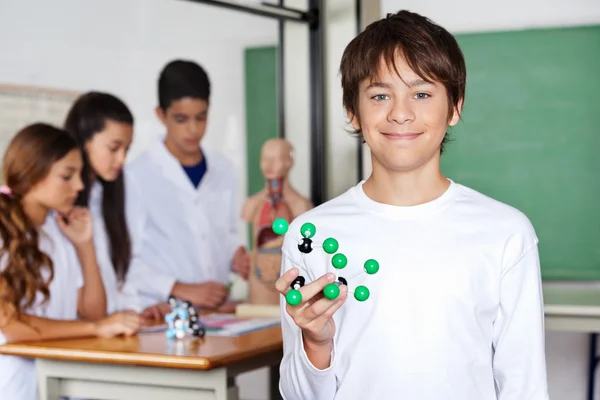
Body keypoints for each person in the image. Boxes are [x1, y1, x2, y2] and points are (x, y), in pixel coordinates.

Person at [275, 10, 549, 400]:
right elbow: (298, 395)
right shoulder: (312, 236)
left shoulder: (506, 233)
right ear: (353, 110)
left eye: (421, 94)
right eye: (380, 95)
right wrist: (315, 343)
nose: (400, 113)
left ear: (454, 107)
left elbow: (525, 388)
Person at [0, 123, 140, 400]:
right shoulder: (4, 231)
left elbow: (92, 311)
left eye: (79, 174)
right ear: (33, 174)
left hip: (62, 376)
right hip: (16, 383)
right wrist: (96, 329)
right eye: (67, 176)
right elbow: (12, 325)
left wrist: (85, 246)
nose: (79, 185)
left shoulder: (58, 228)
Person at [126, 59, 250, 311]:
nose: (193, 129)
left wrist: (235, 255)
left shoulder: (223, 168)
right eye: (181, 119)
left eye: (201, 117)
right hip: (162, 312)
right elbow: (125, 262)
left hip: (217, 311)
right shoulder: (136, 176)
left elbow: (226, 233)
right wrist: (180, 289)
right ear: (160, 115)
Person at [64, 91, 147, 315]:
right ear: (85, 141)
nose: (121, 159)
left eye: (126, 149)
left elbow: (130, 261)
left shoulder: (119, 190)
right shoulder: (61, 203)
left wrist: (131, 308)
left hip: (112, 324)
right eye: (113, 148)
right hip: (77, 328)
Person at [242, 138, 312, 304]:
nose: (269, 165)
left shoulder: (301, 205)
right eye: (265, 159)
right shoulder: (253, 204)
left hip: (288, 282)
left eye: (276, 159)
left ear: (289, 162)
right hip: (258, 283)